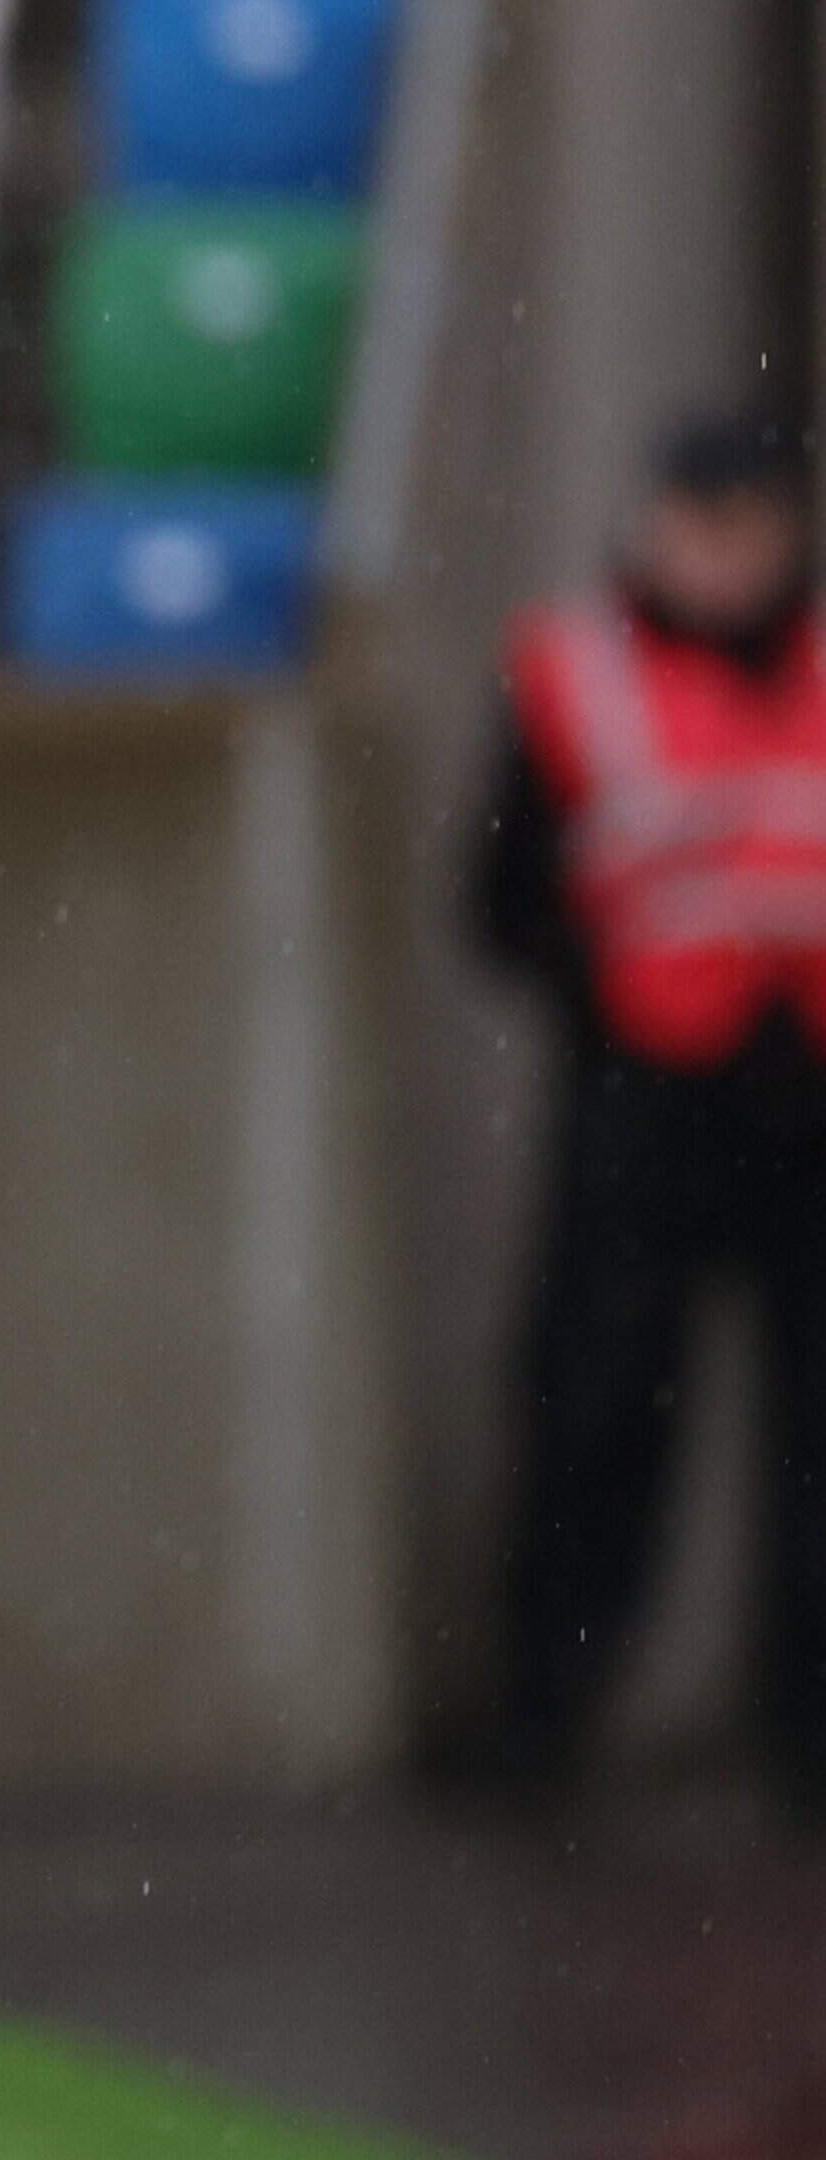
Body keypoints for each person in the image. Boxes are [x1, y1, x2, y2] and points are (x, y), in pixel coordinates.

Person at [469, 412, 826, 1809]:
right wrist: (609, 999)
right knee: (598, 1408)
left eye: (752, 524)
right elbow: (499, 898)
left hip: (809, 1098)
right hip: (642, 1101)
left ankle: (806, 1741)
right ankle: (541, 1728)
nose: (728, 557)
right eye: (704, 522)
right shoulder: (573, 670)